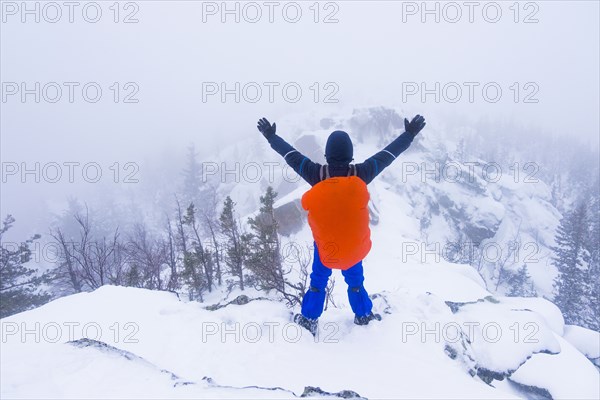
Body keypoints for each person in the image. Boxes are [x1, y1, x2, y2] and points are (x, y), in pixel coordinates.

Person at [257, 115, 426, 335]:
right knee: (355, 281)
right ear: (351, 155)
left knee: (318, 280)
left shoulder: (317, 174)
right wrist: (409, 135)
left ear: (326, 156)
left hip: (326, 246)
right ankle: (363, 314)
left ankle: (309, 319)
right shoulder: (360, 173)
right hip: (352, 246)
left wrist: (271, 137)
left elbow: (291, 156)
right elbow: (388, 155)